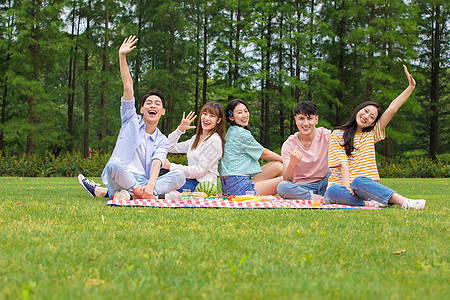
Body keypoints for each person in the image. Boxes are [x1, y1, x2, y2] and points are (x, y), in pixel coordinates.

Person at [78, 35, 185, 200]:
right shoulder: (130, 120)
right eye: (149, 103)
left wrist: (150, 185)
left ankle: (135, 194)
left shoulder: (162, 140)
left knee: (179, 176)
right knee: (113, 164)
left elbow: (158, 161)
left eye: (157, 104)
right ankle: (144, 194)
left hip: (145, 182)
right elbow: (128, 87)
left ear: (163, 111)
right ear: (141, 109)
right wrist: (122, 56)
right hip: (122, 177)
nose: (153, 106)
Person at [324, 65, 426, 209]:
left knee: (359, 181)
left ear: (373, 122)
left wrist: (410, 87)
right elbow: (342, 164)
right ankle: (374, 203)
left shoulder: (370, 135)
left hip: (363, 189)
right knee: (332, 191)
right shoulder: (338, 133)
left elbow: (392, 109)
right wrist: (347, 188)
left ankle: (405, 202)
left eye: (372, 117)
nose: (366, 116)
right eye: (365, 111)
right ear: (358, 110)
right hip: (341, 190)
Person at [219, 99, 283, 196]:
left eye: (246, 111)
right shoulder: (241, 133)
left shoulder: (231, 131)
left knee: (278, 165)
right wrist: (287, 161)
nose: (245, 115)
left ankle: (287, 194)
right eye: (239, 112)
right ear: (231, 117)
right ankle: (291, 194)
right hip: (239, 187)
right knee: (287, 179)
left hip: (229, 186)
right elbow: (264, 153)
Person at [162, 101, 226, 192]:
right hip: (190, 179)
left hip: (201, 185)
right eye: (205, 114)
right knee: (160, 165)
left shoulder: (214, 140)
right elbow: (169, 147)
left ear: (218, 120)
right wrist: (180, 129)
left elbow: (199, 170)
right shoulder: (196, 138)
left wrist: (171, 166)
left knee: (165, 183)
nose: (207, 118)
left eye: (212, 116)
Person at [277, 101, 331, 200]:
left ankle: (329, 195)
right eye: (301, 118)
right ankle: (315, 197)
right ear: (296, 120)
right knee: (282, 187)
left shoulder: (326, 135)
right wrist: (292, 164)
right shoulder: (289, 144)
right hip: (304, 187)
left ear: (316, 119)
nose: (306, 123)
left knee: (337, 171)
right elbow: (287, 179)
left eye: (309, 118)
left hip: (326, 182)